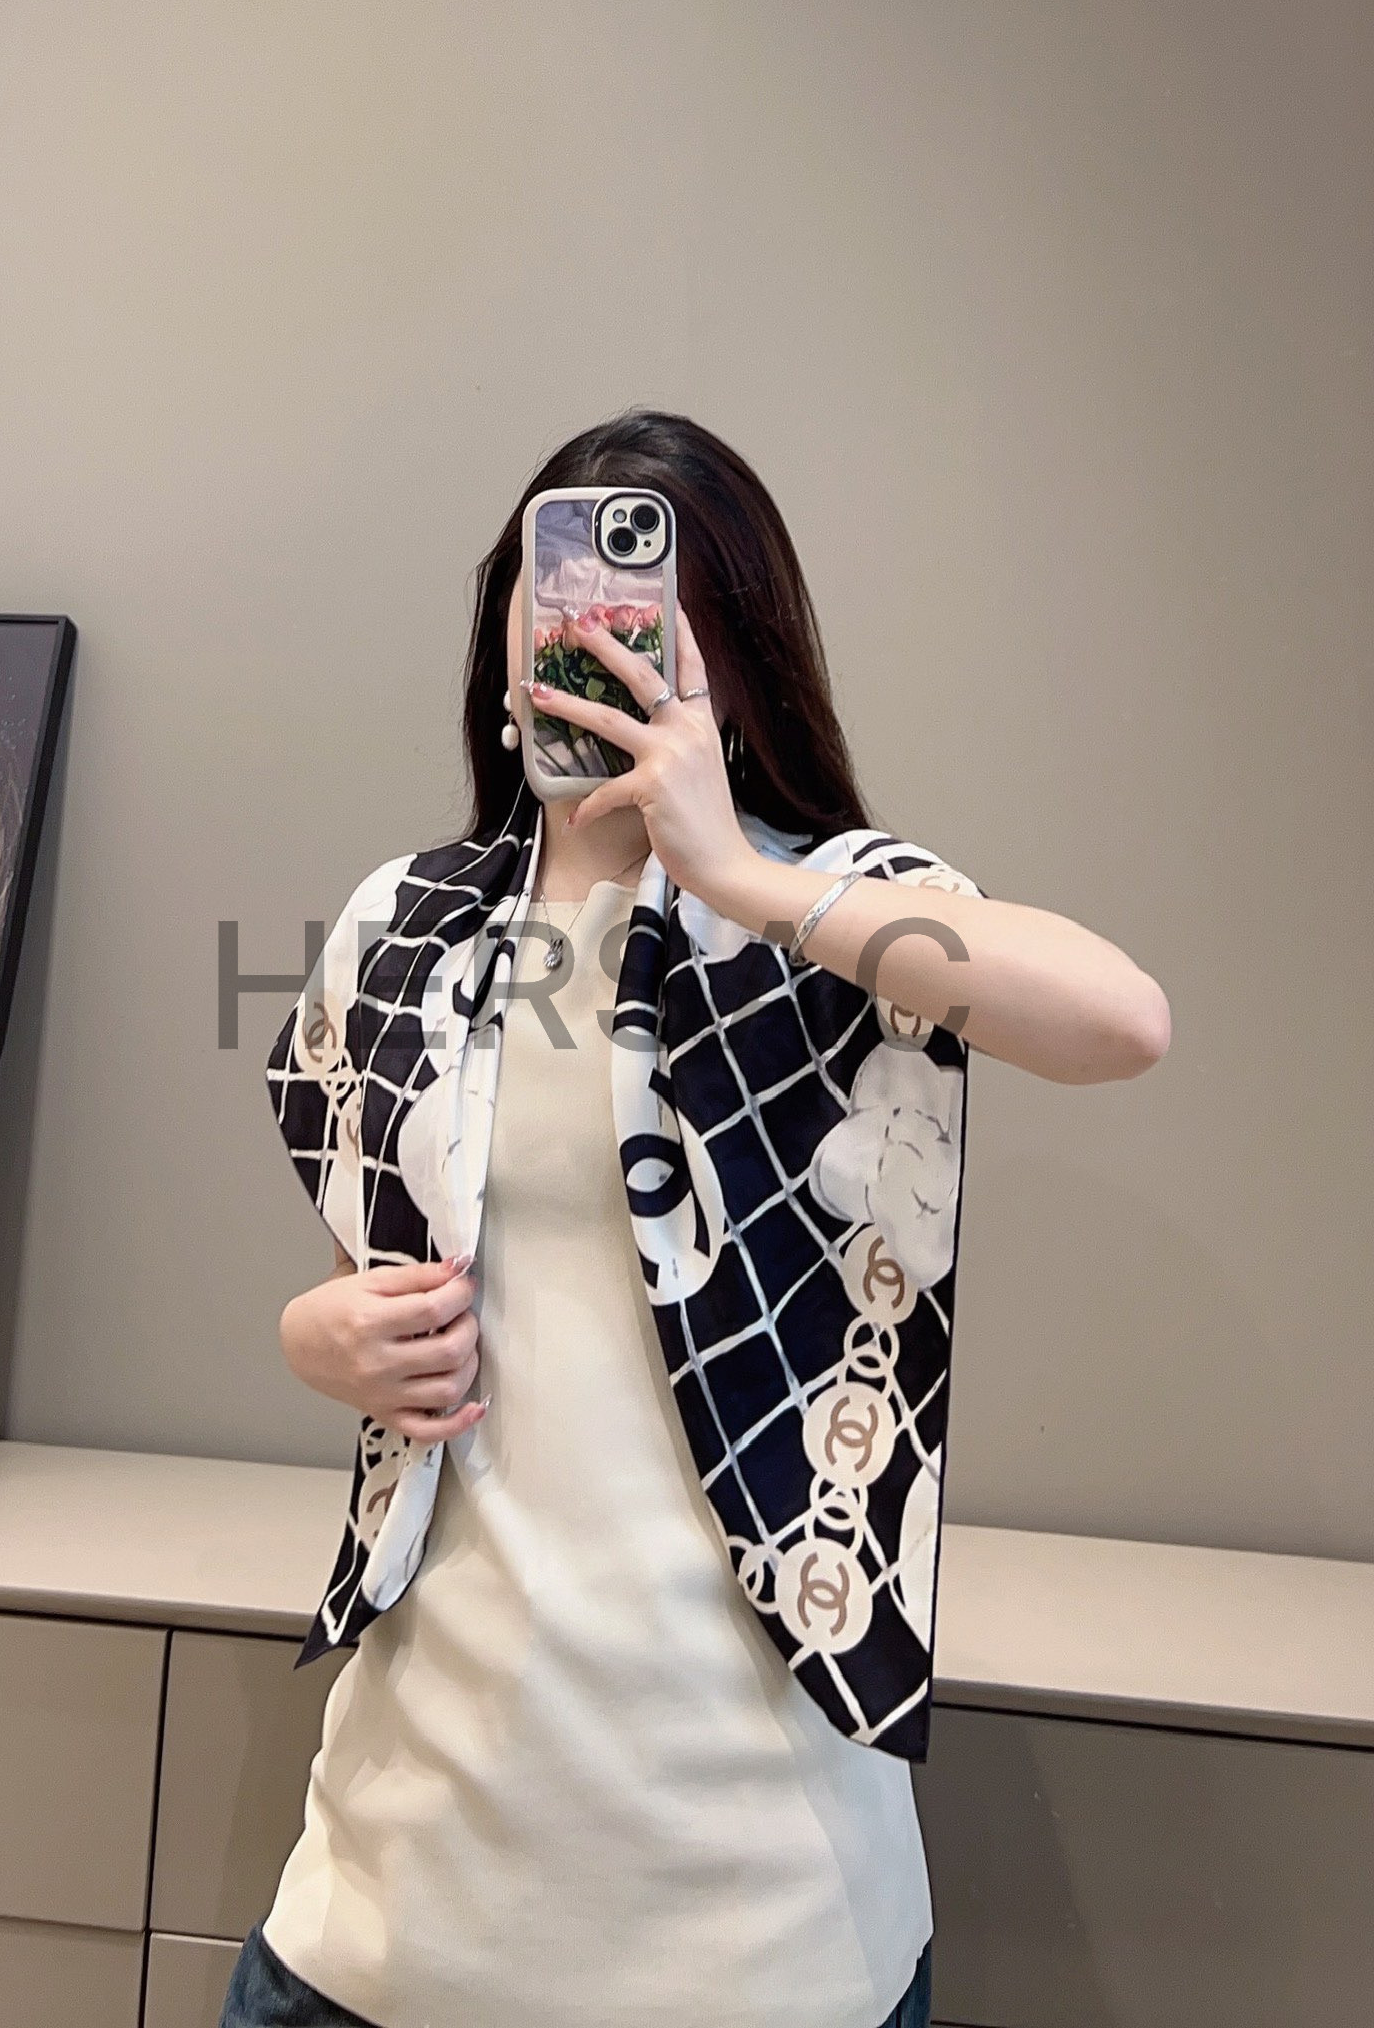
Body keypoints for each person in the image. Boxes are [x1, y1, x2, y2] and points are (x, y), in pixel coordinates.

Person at [224, 410, 1170, 2028]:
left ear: (737, 659)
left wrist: (743, 876)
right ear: (506, 626)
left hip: (757, 1930)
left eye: (655, 610)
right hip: (388, 1899)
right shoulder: (403, 927)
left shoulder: (836, 915)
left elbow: (1121, 1020)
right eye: (560, 593)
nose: (601, 638)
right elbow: (366, 1290)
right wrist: (318, 1341)